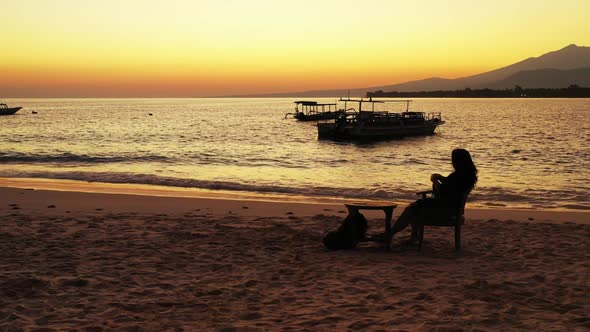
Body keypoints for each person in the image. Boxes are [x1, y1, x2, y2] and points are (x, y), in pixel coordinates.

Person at [390, 148, 478, 244]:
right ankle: (403, 235)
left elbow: (444, 190)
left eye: (453, 160)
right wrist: (440, 177)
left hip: (446, 209)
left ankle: (392, 234)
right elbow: (449, 184)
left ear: (458, 161)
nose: (452, 162)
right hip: (453, 208)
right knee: (414, 208)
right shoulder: (466, 175)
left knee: (412, 209)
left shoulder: (459, 176)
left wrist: (434, 181)